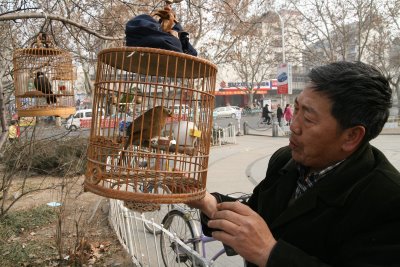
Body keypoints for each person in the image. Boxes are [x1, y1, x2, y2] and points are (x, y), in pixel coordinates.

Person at [188, 61, 400, 266]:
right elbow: (255, 216)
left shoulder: (387, 199)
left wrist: (270, 254)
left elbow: (262, 242)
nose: (293, 126)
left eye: (308, 118)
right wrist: (207, 202)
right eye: (296, 109)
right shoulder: (285, 159)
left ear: (351, 136)